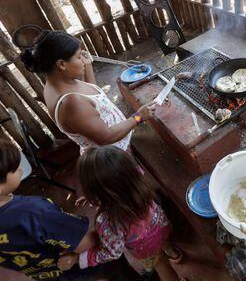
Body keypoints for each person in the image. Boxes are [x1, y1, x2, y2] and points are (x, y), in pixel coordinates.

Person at [58, 146, 185, 280]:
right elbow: (120, 185)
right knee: (164, 243)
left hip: (146, 249)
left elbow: (112, 253)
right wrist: (96, 197)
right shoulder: (139, 184)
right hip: (161, 226)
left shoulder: (108, 221)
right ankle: (174, 253)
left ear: (96, 191)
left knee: (161, 265)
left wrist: (79, 259)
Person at [20, 30, 155, 155]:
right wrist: (138, 117)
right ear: (61, 64)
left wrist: (87, 65)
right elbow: (107, 137)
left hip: (116, 143)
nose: (82, 59)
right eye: (78, 57)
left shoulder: (57, 84)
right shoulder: (71, 103)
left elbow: (90, 95)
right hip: (113, 153)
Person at [0, 139, 96, 280]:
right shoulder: (34, 212)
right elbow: (84, 242)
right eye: (14, 167)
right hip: (78, 271)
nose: (21, 168)